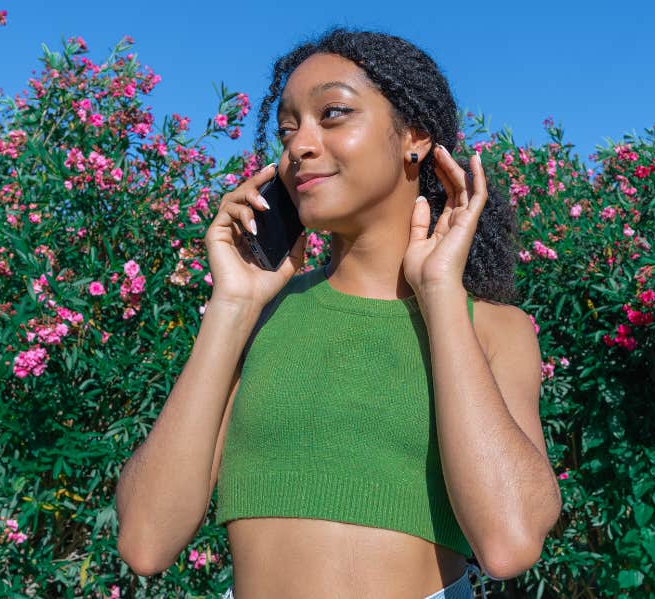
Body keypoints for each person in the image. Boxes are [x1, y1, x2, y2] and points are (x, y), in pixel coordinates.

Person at [115, 26, 563, 598]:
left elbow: (510, 543)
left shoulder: (493, 328)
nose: (299, 144)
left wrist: (441, 293)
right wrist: (231, 304)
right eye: (287, 127)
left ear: (416, 138)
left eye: (332, 114)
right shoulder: (260, 314)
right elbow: (145, 542)